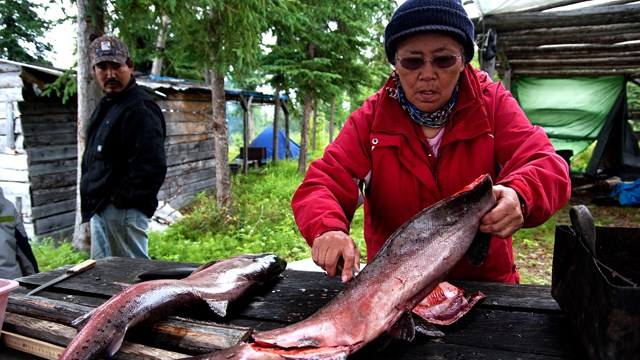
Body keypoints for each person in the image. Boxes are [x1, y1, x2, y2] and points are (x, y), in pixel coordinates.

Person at [291, 0, 571, 284]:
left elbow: (545, 163)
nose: (427, 74)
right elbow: (324, 181)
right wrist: (328, 228)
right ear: (395, 65)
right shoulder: (372, 119)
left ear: (462, 61)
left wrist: (521, 196)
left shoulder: (493, 105)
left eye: (443, 59)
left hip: (485, 287)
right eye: (412, 61)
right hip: (394, 288)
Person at [81, 35, 167, 260]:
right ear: (94, 69)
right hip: (101, 208)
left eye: (116, 66)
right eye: (102, 67)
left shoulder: (139, 108)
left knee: (132, 277)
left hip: (123, 211)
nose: (110, 74)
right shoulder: (108, 104)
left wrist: (118, 201)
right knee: (103, 277)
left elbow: (151, 167)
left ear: (130, 66)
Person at [0, 187, 38, 279]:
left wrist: (34, 278)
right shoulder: (8, 206)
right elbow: (23, 248)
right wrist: (34, 277)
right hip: (11, 280)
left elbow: (22, 246)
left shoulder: (8, 207)